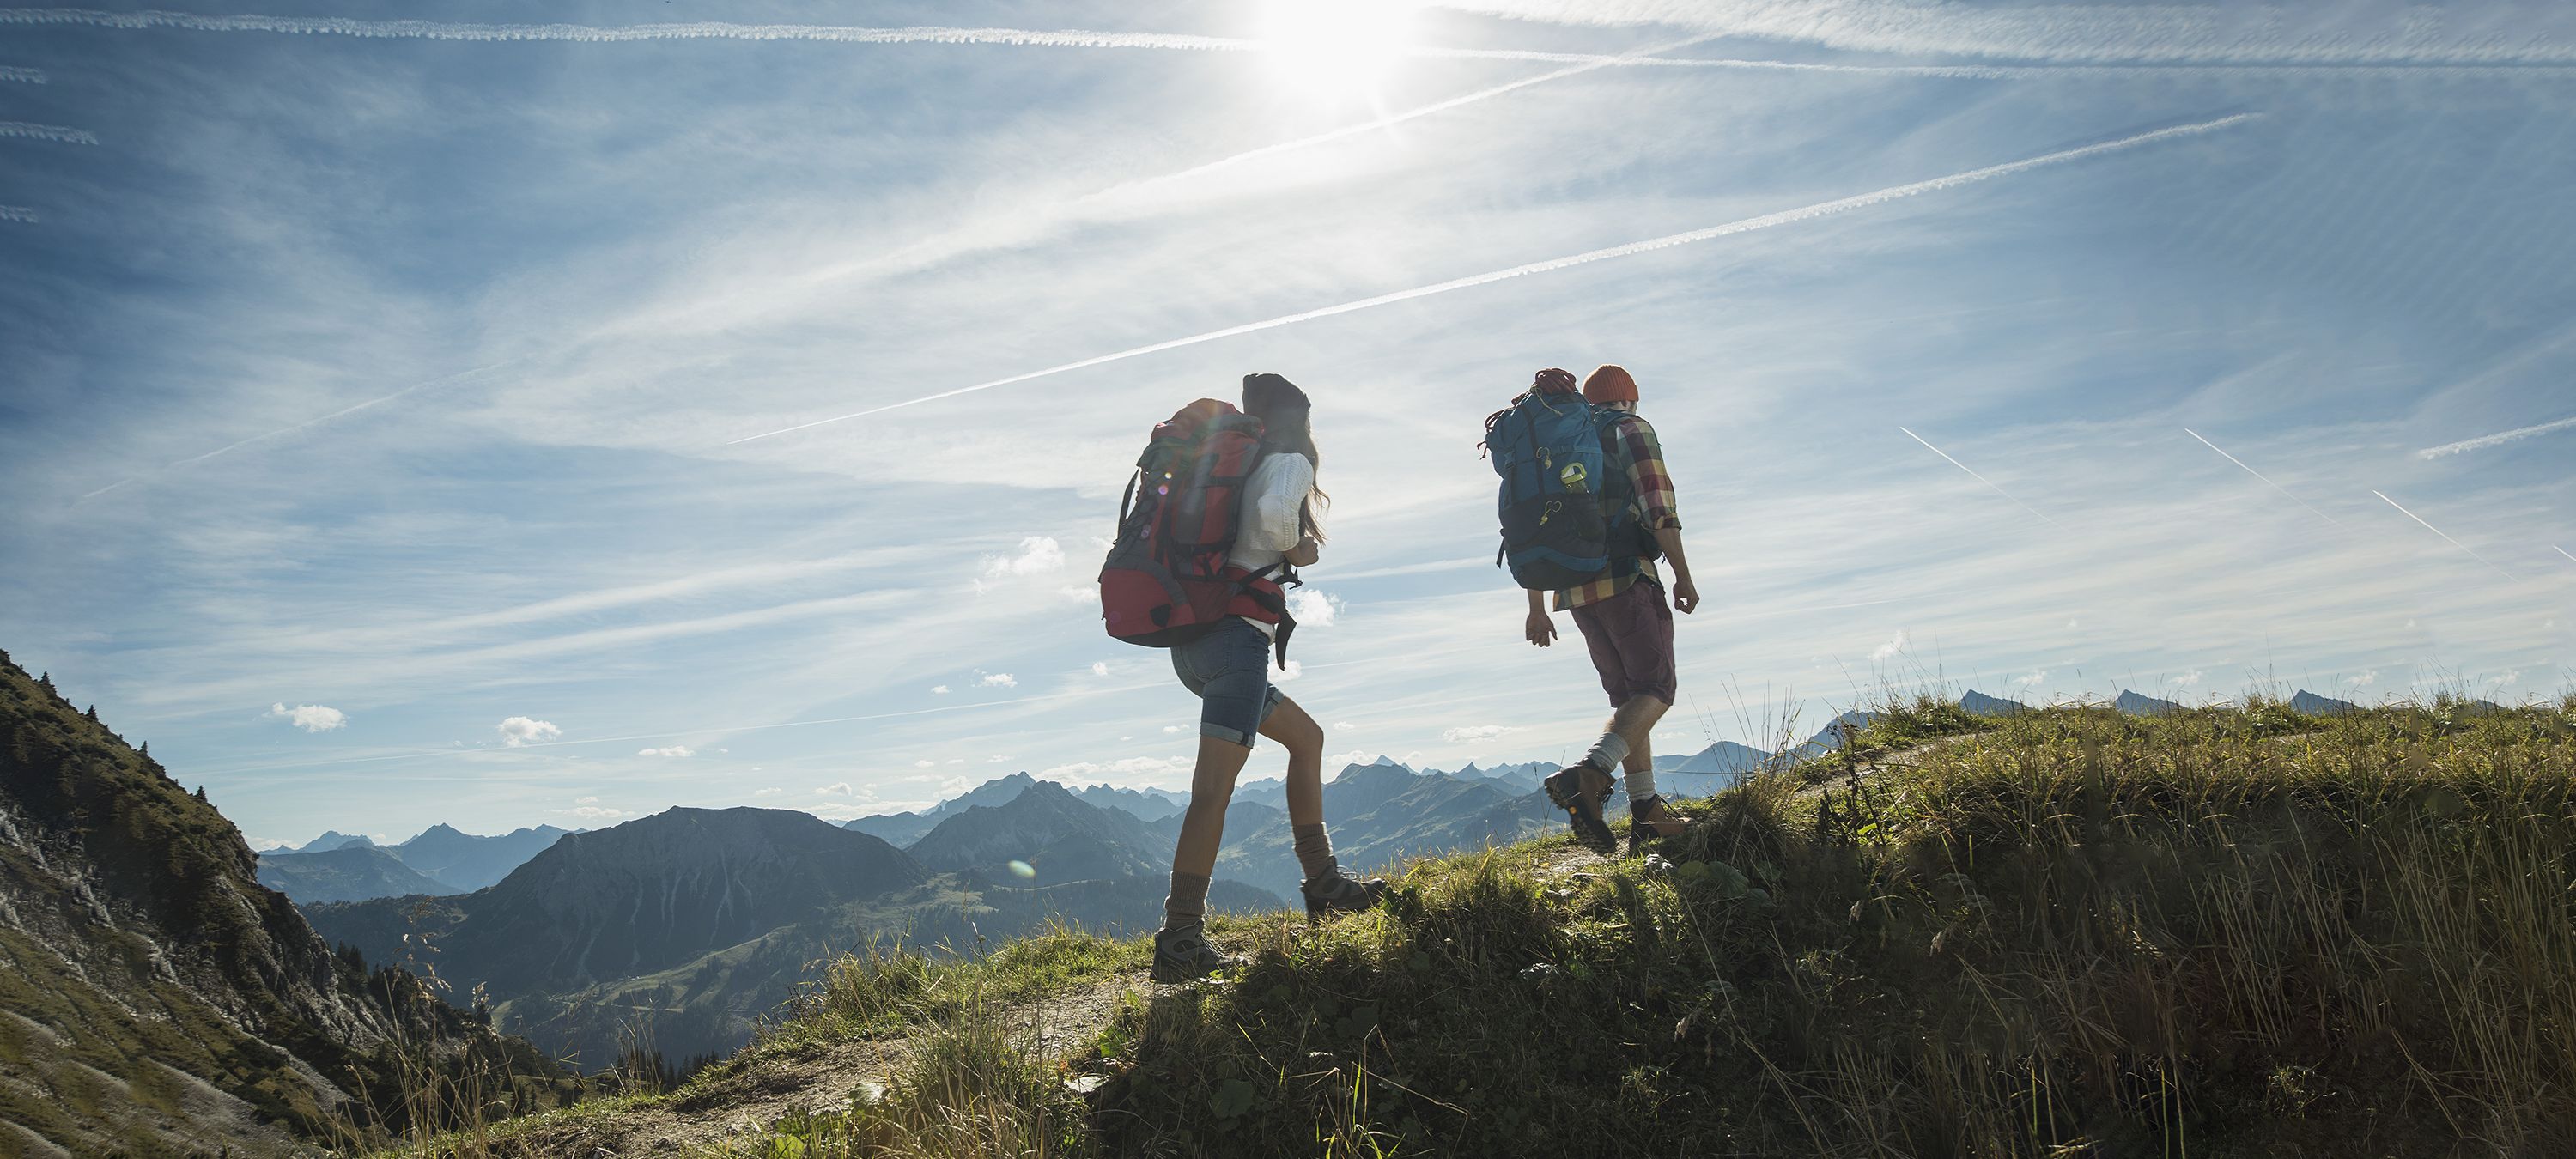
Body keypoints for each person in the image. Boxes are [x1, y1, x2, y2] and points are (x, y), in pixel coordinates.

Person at [1152, 373, 1387, 983]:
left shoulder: (1240, 460)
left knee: (1306, 740)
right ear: (1299, 419)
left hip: (1198, 645)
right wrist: (1300, 549)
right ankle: (1180, 937)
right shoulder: (1287, 461)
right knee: (1213, 792)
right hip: (1237, 644)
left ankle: (1323, 884)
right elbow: (1275, 517)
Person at [1522, 364, 1699, 856]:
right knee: (1656, 689)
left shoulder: (1553, 447)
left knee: (1628, 698)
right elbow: (1659, 505)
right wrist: (1683, 573)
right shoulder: (1631, 429)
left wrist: (1536, 607)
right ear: (1631, 400)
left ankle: (1645, 813)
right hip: (1625, 578)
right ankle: (1591, 771)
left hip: (1573, 591)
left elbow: (1531, 528)